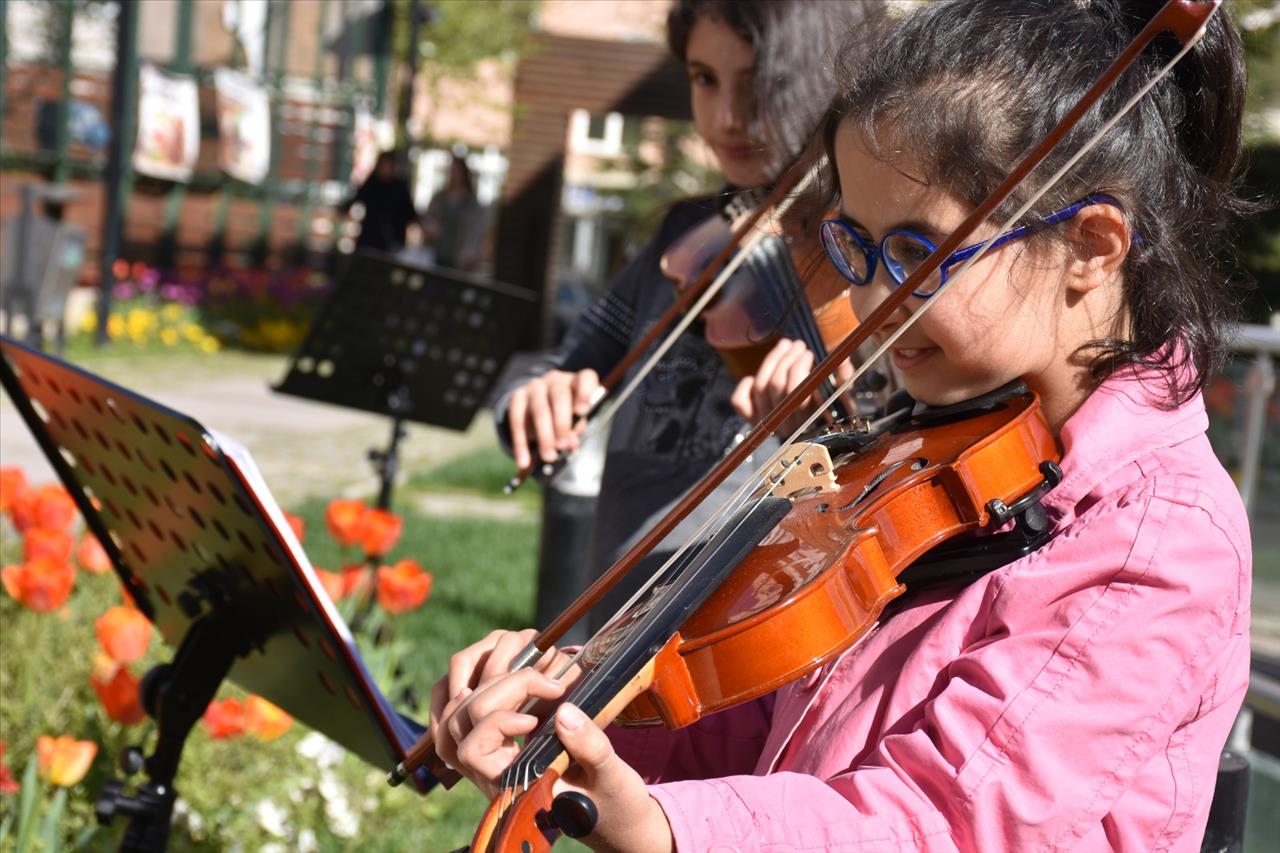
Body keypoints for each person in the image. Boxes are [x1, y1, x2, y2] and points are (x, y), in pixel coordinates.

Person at [432, 1, 1255, 850]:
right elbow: (761, 730)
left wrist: (665, 829)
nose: (871, 299)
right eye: (855, 247)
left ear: (1090, 245)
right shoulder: (939, 457)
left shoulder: (1156, 540)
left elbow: (948, 821)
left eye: (917, 253)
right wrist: (574, 726)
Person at [492, 0, 876, 632]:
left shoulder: (868, 266)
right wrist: (537, 399)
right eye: (704, 78)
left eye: (760, 86)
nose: (727, 117)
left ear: (824, 77)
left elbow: (880, 491)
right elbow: (568, 363)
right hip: (613, 623)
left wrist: (813, 436)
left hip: (747, 640)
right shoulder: (687, 240)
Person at [342, 148, 420, 254]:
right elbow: (357, 198)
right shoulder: (372, 183)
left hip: (391, 243)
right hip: (370, 239)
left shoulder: (399, 188)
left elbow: (409, 212)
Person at [422, 152, 486, 273]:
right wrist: (430, 228)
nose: (453, 174)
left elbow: (476, 231)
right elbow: (427, 220)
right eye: (451, 170)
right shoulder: (440, 198)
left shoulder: (471, 204)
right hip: (436, 255)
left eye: (456, 171)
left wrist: (469, 253)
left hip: (459, 260)